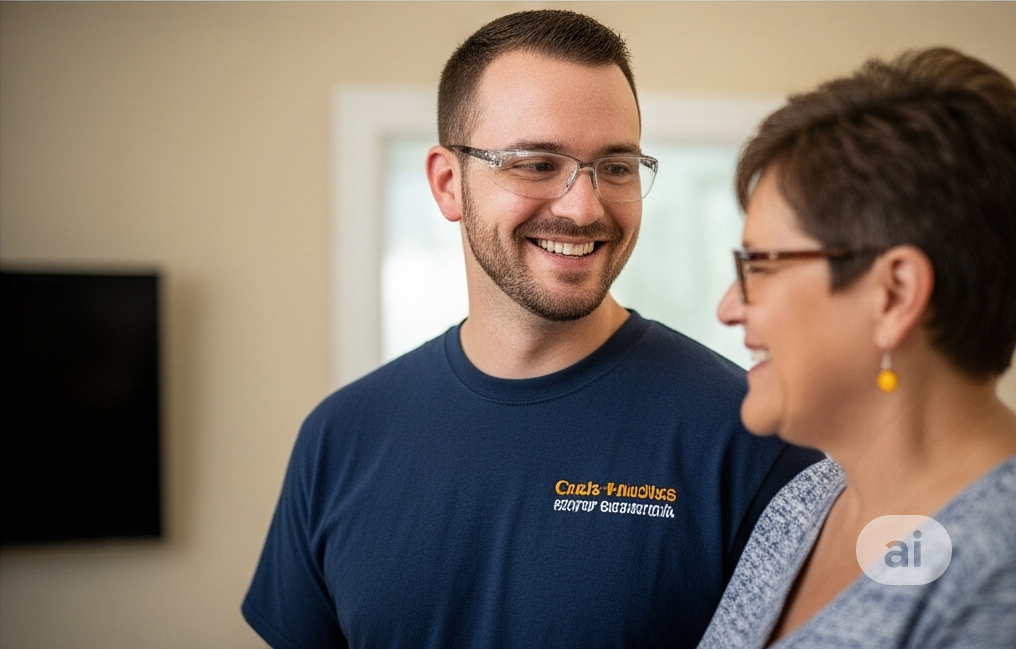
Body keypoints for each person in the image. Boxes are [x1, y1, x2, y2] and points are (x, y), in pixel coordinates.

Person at [242, 10, 821, 648]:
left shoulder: (753, 439)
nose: (583, 206)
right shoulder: (340, 438)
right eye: (537, 163)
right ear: (446, 183)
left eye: (617, 166)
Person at [699, 48, 1016, 648]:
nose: (728, 306)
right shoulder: (810, 498)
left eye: (761, 264)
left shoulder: (1001, 579)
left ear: (894, 294)